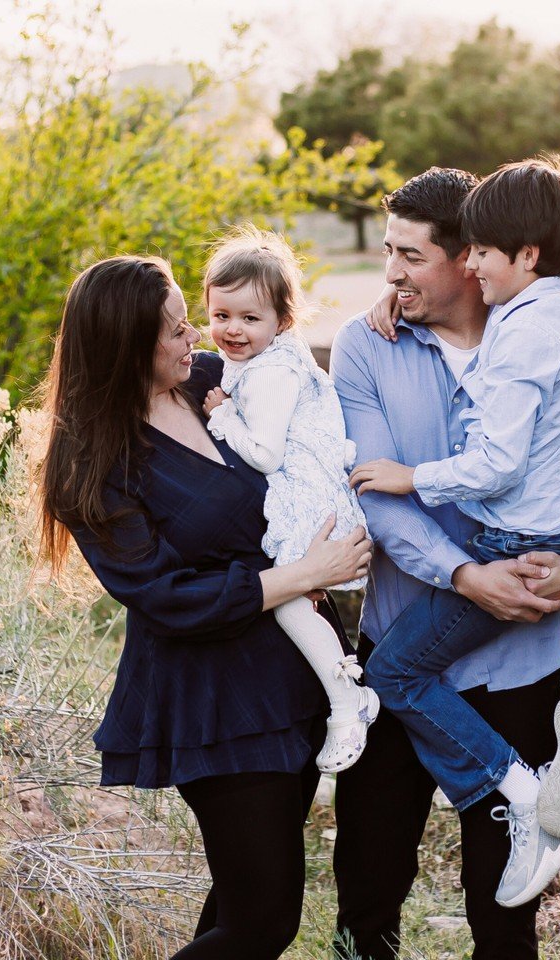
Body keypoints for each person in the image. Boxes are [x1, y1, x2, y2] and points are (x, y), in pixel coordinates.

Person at [331, 167, 560, 957]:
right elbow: (379, 496)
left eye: (412, 256)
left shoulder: (557, 346)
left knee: (505, 914)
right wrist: (466, 576)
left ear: (470, 258)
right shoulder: (365, 346)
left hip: (522, 667)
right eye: (388, 253)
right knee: (367, 887)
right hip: (404, 638)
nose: (392, 273)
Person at [35, 254, 372, 959]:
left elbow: (292, 375)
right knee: (263, 922)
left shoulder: (213, 385)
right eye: (177, 328)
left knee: (239, 900)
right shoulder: (92, 464)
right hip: (215, 700)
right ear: (129, 347)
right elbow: (167, 598)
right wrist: (308, 571)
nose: (199, 336)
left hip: (298, 672)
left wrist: (385, 322)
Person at [199, 227, 379, 773]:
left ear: (282, 321)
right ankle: (346, 696)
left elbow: (265, 454)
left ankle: (348, 702)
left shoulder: (273, 372)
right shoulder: (267, 358)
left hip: (304, 493)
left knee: (288, 601)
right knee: (295, 600)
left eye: (250, 319)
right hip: (304, 487)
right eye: (221, 314)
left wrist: (221, 415)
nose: (232, 330)